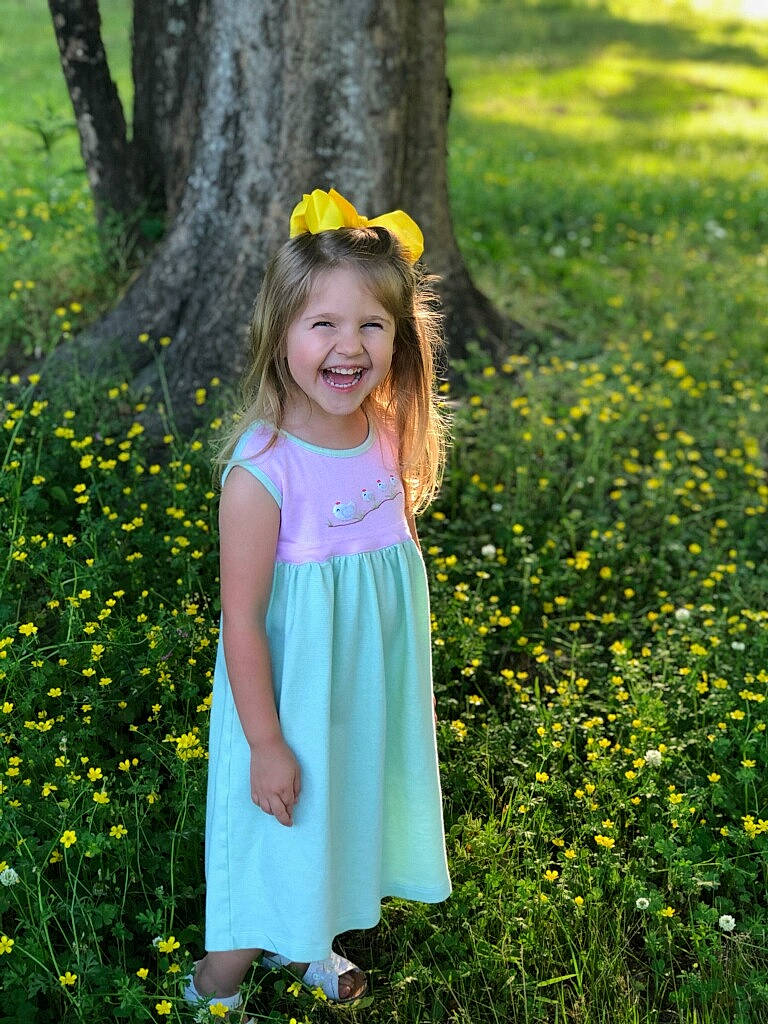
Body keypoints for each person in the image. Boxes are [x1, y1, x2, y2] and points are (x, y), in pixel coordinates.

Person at [183, 188, 453, 1020]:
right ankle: (213, 983)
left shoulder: (385, 432)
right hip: (290, 699)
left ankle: (311, 939)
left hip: (358, 691)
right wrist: (265, 742)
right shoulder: (262, 475)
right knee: (277, 828)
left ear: (401, 339)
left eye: (372, 325)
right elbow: (243, 620)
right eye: (323, 325)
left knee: (336, 819)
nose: (349, 345)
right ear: (280, 337)